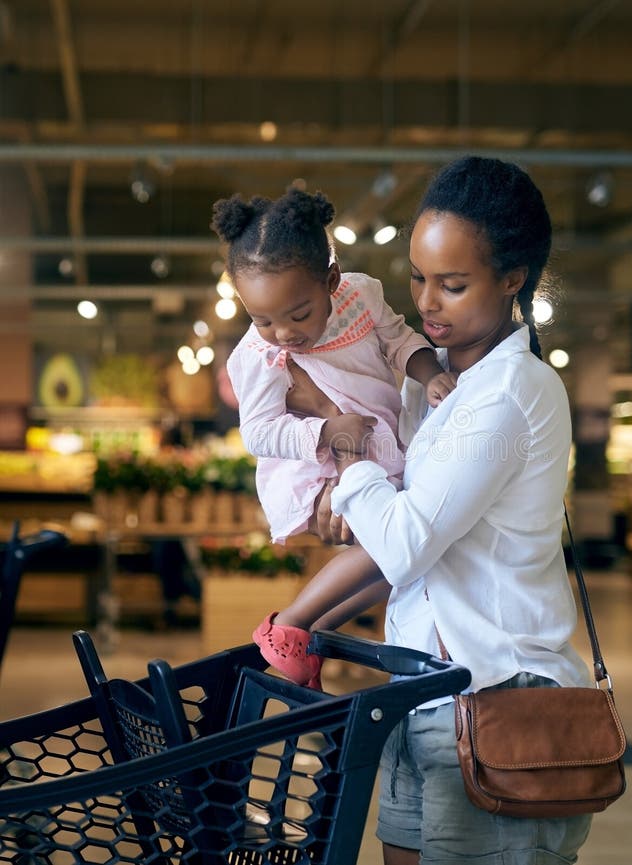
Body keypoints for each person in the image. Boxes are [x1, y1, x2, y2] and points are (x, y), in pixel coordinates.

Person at [303, 156, 594, 864]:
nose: (428, 302)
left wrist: (350, 459)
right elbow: (409, 559)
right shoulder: (439, 393)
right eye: (418, 279)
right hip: (420, 696)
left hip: (501, 698)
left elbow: (403, 542)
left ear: (513, 277)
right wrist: (301, 621)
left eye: (453, 284)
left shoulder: (508, 393)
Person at [211, 187, 456, 689]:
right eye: (261, 319)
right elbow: (258, 431)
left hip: (374, 447)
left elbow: (399, 339)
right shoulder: (258, 356)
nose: (282, 333)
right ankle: (291, 625)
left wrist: (428, 371)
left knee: (403, 560)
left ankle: (311, 632)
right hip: (314, 462)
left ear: (332, 281)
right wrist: (327, 430)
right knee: (396, 544)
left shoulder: (362, 296)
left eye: (298, 314)